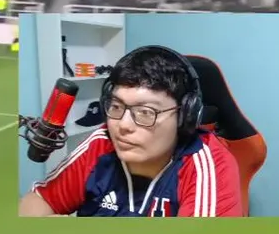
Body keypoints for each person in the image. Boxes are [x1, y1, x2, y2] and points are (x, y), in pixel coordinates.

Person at [20, 46, 243, 217]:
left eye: (146, 112)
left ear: (185, 116)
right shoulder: (101, 142)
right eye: (116, 106)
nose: (123, 125)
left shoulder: (209, 165)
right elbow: (38, 201)